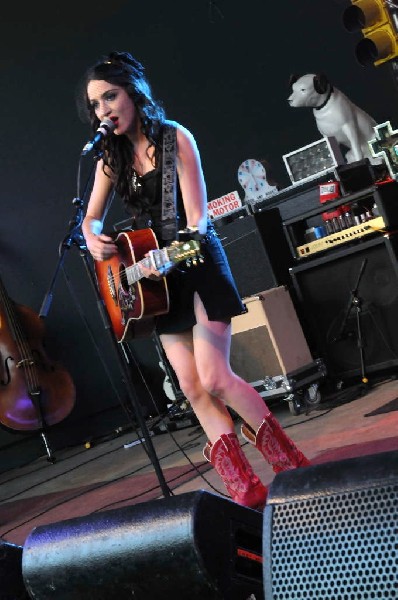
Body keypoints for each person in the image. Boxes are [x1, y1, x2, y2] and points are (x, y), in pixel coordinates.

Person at [78, 50, 310, 510]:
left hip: (196, 263)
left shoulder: (174, 139)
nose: (104, 111)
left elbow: (199, 221)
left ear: (133, 94)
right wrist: (92, 237)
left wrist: (171, 254)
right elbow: (89, 219)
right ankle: (246, 490)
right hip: (156, 286)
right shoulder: (111, 159)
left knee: (215, 377)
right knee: (190, 386)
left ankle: (293, 467)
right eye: (95, 105)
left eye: (110, 97)